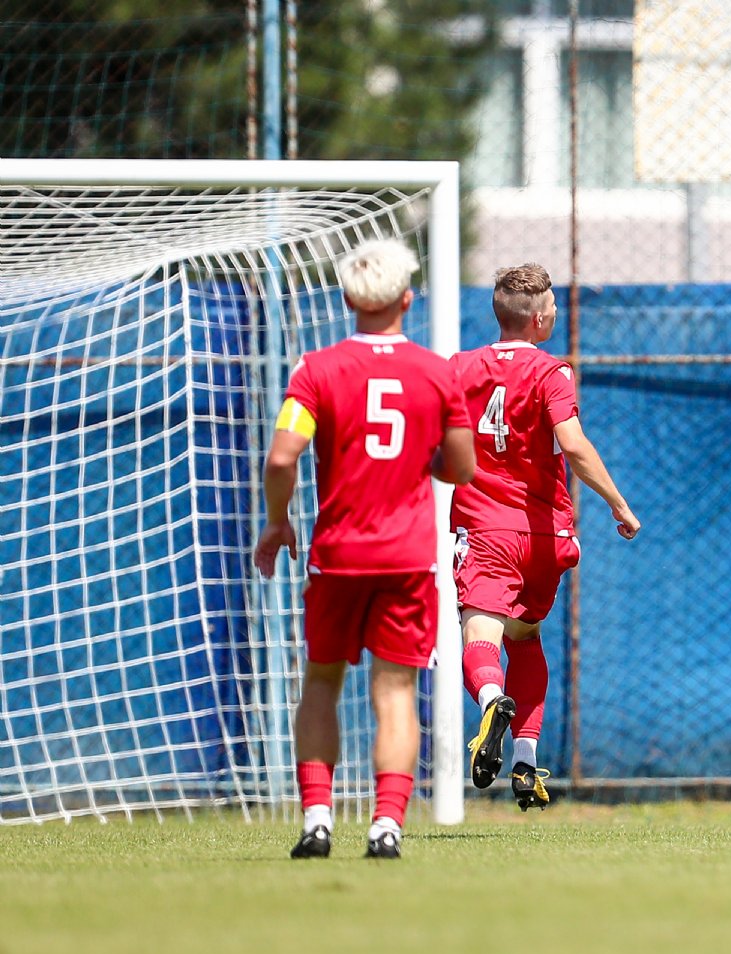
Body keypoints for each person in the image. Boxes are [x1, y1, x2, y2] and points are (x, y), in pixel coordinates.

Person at [253, 239, 475, 860]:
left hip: (338, 556)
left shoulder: (316, 370)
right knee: (396, 690)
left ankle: (317, 821)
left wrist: (276, 521)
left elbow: (282, 457)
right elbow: (462, 467)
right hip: (407, 558)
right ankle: (386, 827)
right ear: (407, 298)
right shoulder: (437, 373)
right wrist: (424, 459)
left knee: (321, 681)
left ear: (349, 299)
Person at [450, 262, 639, 809]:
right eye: (553, 306)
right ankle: (526, 764)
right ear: (538, 319)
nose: (556, 312)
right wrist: (618, 503)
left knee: (479, 635)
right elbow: (572, 444)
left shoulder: (461, 367)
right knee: (526, 638)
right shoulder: (552, 372)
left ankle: (491, 701)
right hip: (542, 534)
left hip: (485, 526)